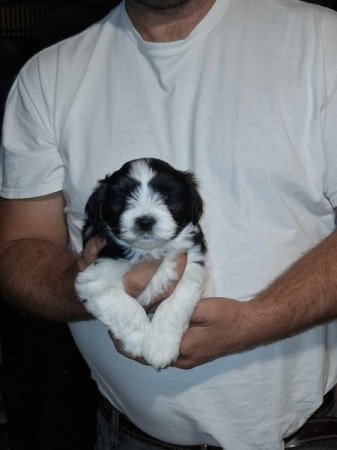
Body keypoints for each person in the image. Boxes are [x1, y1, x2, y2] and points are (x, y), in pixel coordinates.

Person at [1, 0, 337, 448]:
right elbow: (18, 249)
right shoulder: (49, 76)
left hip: (314, 431)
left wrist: (256, 321)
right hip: (131, 436)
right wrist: (96, 288)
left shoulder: (321, 39)